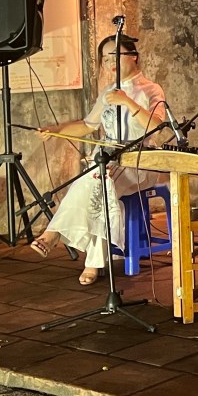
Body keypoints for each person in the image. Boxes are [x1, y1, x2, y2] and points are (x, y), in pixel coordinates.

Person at [30, 34, 167, 286]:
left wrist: (127, 101)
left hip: (139, 160)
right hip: (108, 158)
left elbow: (156, 126)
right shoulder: (107, 92)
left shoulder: (151, 89)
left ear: (134, 57)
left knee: (98, 181)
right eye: (105, 59)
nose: (110, 63)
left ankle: (55, 232)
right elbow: (87, 125)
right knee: (98, 182)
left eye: (115, 56)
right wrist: (55, 130)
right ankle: (91, 261)